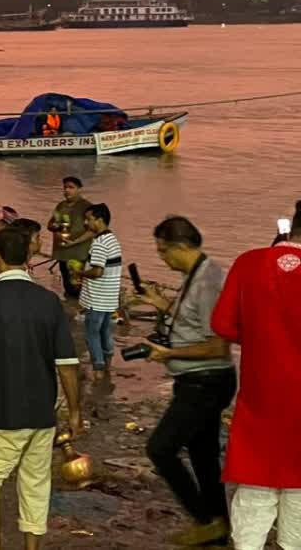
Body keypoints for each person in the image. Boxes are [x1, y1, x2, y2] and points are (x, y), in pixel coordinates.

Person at [0, 227, 82, 550]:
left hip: (1, 411)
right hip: (42, 413)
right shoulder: (49, 302)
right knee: (36, 485)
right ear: (29, 257)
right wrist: (75, 412)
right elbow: (67, 364)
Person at [134, 216, 236, 546]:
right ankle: (218, 525)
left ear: (181, 246)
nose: (162, 258)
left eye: (164, 252)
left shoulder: (208, 282)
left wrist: (166, 354)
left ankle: (204, 520)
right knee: (203, 454)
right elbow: (192, 321)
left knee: (160, 449)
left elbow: (219, 344)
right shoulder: (195, 275)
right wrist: (159, 303)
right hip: (196, 380)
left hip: (205, 381)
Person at [211, 201, 301, 550]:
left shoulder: (249, 262)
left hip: (259, 403)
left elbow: (222, 324)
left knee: (253, 500)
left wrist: (262, 332)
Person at [74, 203, 122, 390]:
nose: (86, 223)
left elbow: (97, 271)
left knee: (92, 334)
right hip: (109, 296)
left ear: (99, 220)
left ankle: (98, 369)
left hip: (97, 297)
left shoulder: (101, 243)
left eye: (89, 219)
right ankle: (107, 363)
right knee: (104, 331)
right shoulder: (112, 239)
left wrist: (80, 274)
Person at [47, 176, 92, 299]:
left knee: (78, 284)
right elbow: (50, 224)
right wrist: (56, 228)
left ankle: (78, 307)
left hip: (79, 252)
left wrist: (75, 241)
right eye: (65, 187)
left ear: (79, 189)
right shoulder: (60, 206)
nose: (67, 190)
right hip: (62, 251)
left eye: (71, 187)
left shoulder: (86, 207)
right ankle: (70, 306)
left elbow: (92, 230)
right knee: (67, 283)